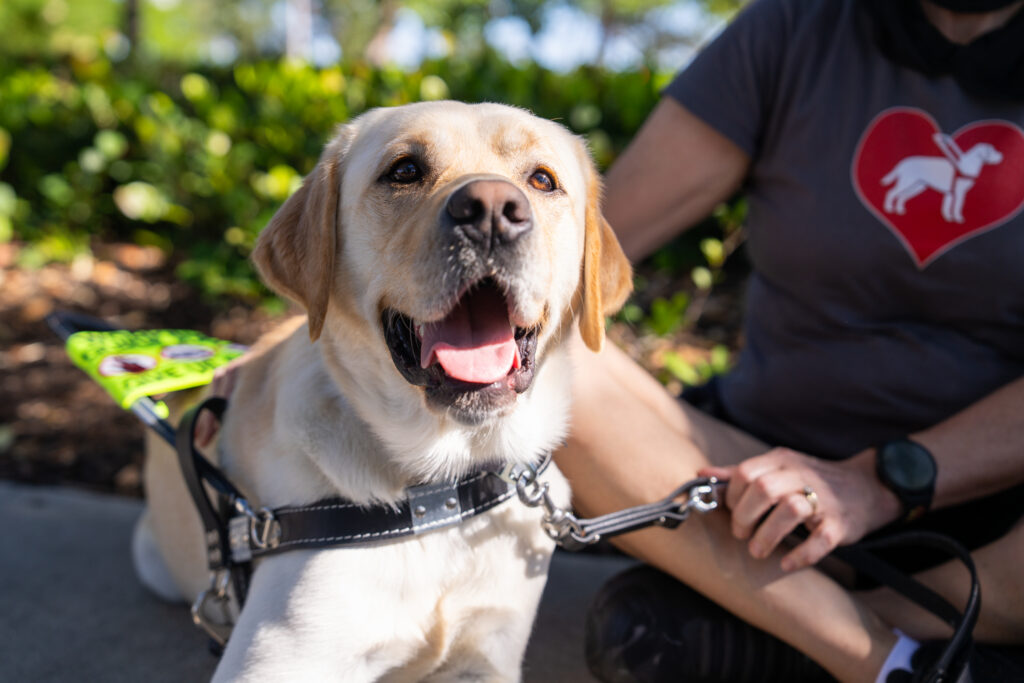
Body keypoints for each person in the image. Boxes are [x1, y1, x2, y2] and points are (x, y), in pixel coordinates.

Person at [562, 0, 1024, 681]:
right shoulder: (792, 28)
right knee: (543, 367)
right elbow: (582, 261)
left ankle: (800, 626)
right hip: (757, 487)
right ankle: (885, 661)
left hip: (993, 534)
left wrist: (873, 483)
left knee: (648, 632)